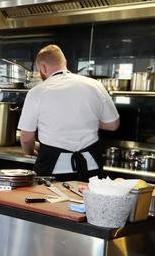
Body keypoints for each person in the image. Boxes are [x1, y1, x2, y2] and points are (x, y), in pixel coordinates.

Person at [18, 44, 120, 181]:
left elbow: (26, 137)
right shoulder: (95, 85)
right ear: (65, 63)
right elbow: (113, 125)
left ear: (43, 67)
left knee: (49, 202)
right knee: (88, 202)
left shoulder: (37, 92)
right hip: (91, 169)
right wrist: (86, 119)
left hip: (52, 170)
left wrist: (29, 151)